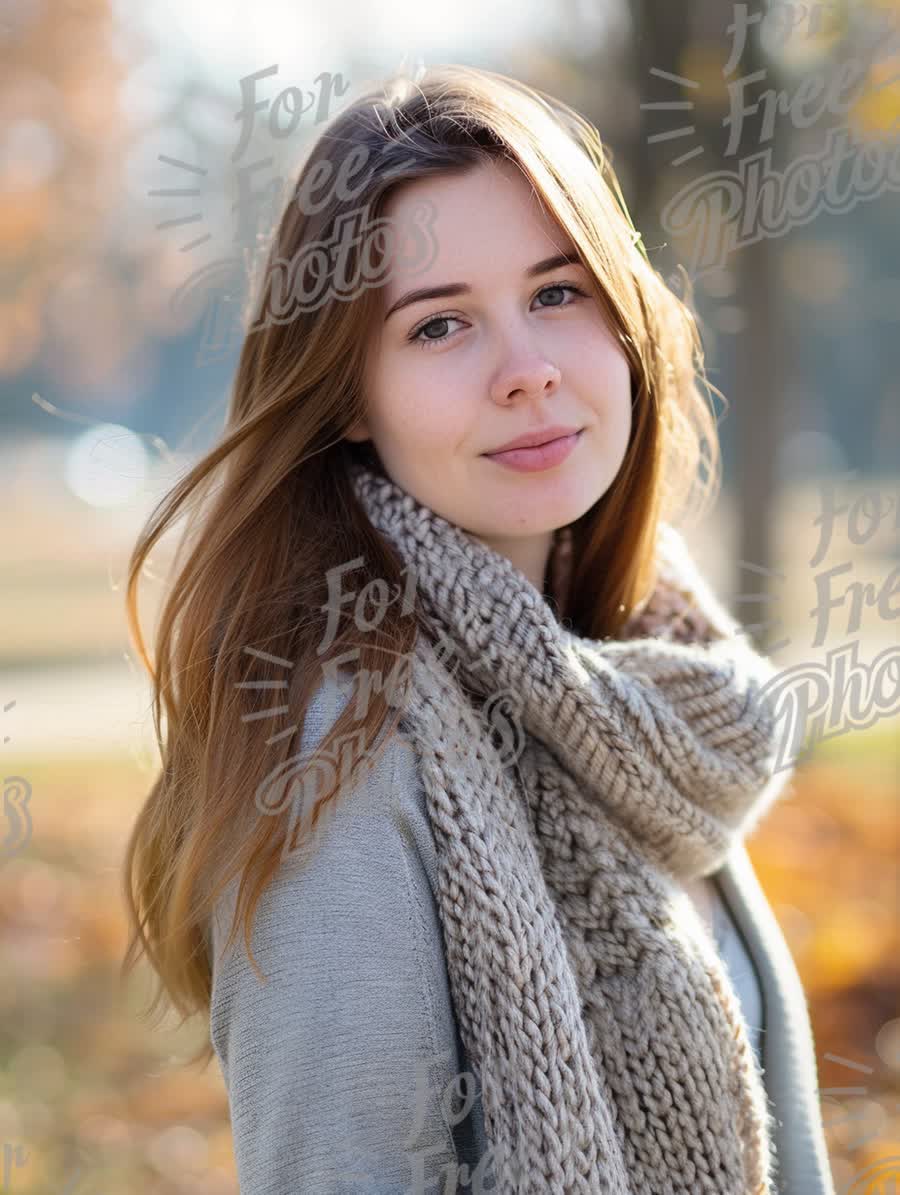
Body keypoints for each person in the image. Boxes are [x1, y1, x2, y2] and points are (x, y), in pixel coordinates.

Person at [120, 64, 836, 1193]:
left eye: (558, 293)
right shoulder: (341, 753)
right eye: (441, 324)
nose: (529, 371)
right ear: (349, 395)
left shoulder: (645, 694)